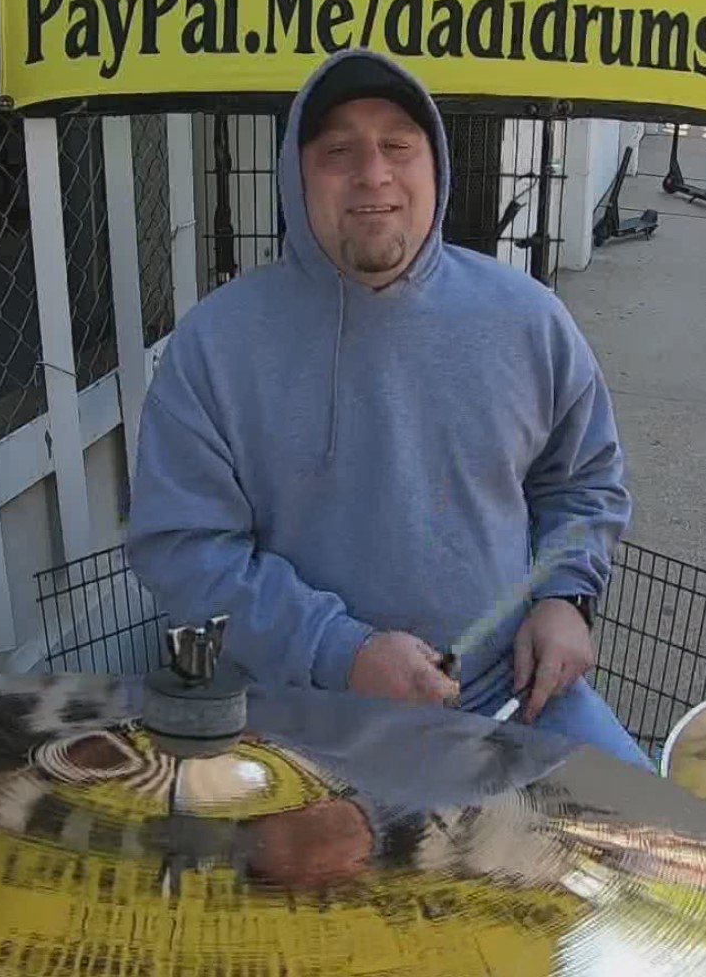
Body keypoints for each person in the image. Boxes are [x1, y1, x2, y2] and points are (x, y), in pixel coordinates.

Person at [123, 48, 645, 769]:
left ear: (435, 166)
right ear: (295, 177)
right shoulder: (215, 347)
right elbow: (184, 551)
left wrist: (566, 598)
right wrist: (344, 652)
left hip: (513, 701)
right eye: (338, 150)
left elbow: (583, 483)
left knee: (661, 861)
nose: (373, 175)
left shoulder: (529, 320)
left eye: (398, 146)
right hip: (297, 721)